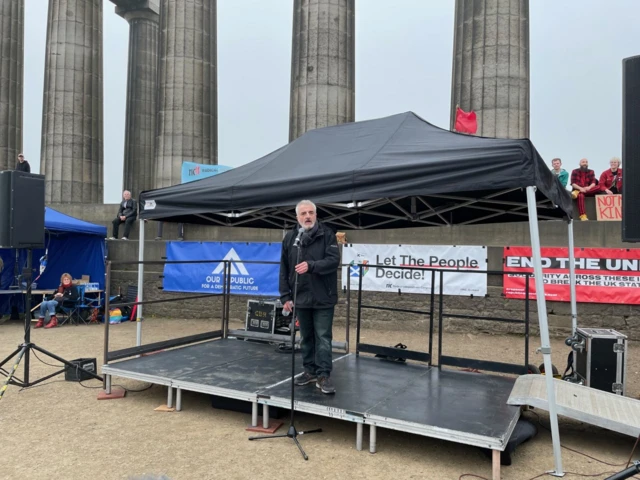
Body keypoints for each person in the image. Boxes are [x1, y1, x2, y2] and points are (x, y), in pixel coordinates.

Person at [279, 200, 340, 394]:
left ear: (316, 215)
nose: (307, 216)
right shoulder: (291, 238)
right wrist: (285, 296)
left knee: (323, 337)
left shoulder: (327, 234)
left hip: (323, 297)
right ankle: (309, 370)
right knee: (306, 337)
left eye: (311, 213)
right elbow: (284, 268)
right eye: (303, 213)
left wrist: (311, 266)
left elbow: (333, 261)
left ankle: (323, 374)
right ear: (297, 217)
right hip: (300, 296)